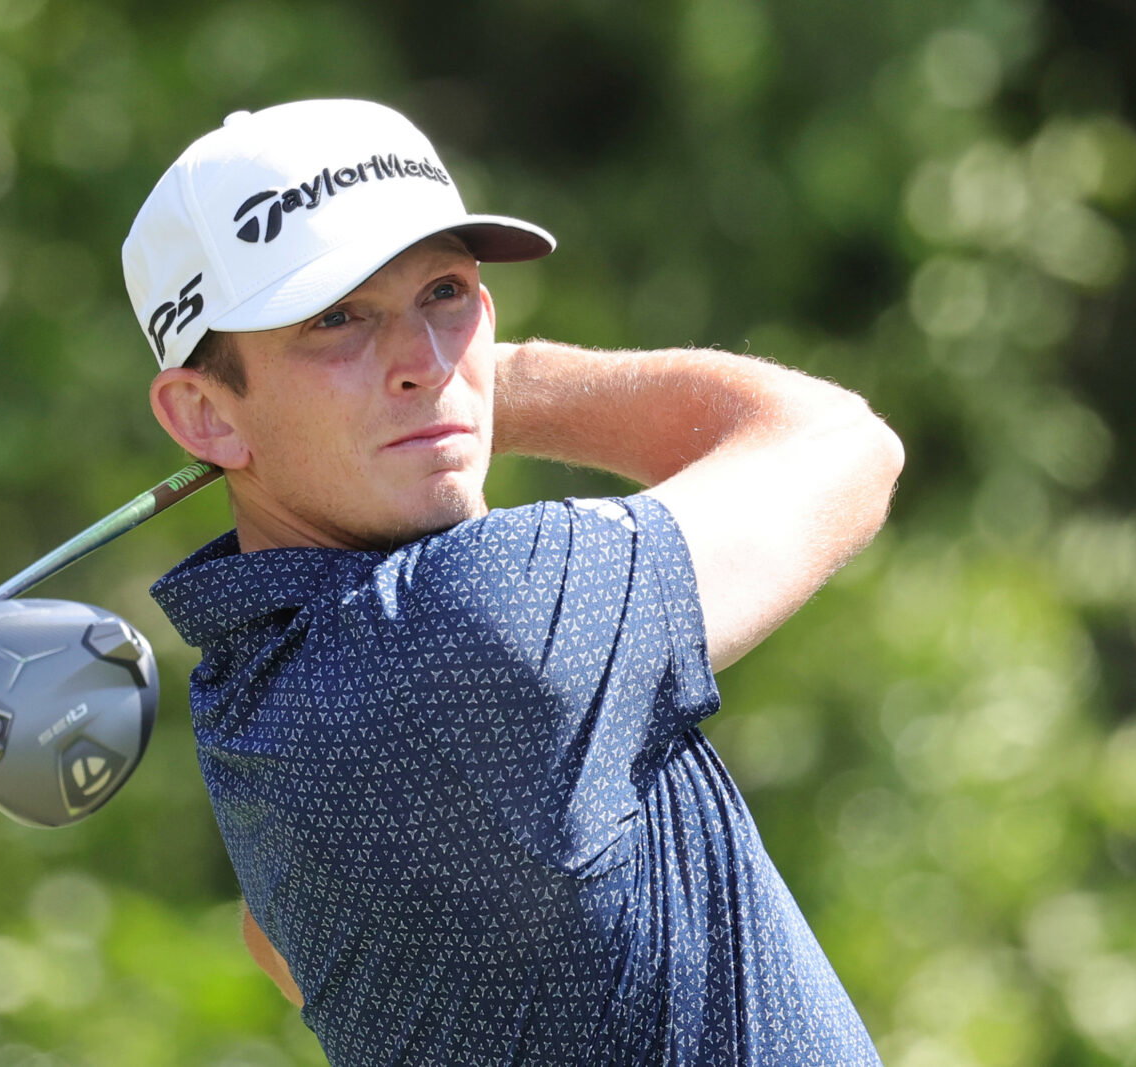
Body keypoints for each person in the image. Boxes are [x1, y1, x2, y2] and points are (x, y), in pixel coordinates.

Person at [121, 99, 902, 1065]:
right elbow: (842, 444)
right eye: (336, 320)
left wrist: (442, 395)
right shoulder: (482, 618)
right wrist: (507, 382)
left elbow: (270, 942)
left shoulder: (249, 698)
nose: (424, 361)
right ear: (203, 416)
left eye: (445, 295)